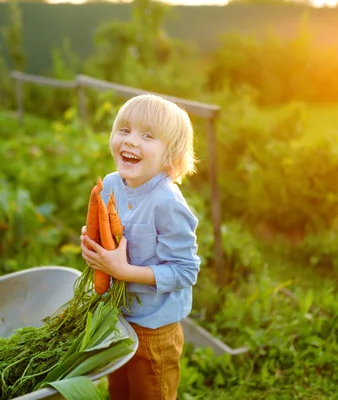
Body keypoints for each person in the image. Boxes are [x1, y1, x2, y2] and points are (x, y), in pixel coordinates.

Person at [80, 94, 201, 400]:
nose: (130, 141)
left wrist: (124, 270)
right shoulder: (109, 185)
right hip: (116, 315)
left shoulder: (168, 203)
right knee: (119, 390)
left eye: (147, 135)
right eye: (124, 130)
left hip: (154, 327)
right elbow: (108, 238)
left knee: (150, 393)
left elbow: (185, 271)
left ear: (170, 155)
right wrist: (94, 251)